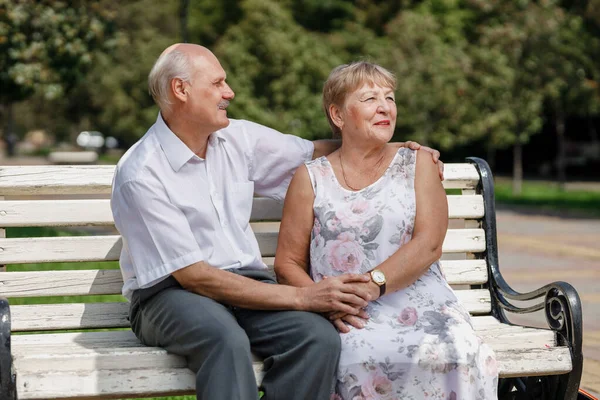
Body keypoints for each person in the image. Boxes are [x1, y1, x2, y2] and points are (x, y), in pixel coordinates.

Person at [111, 44, 443, 400]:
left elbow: (314, 150)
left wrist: (395, 151)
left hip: (246, 284)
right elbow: (195, 277)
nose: (230, 92)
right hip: (169, 295)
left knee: (316, 338)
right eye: (218, 83)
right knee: (224, 338)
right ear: (181, 89)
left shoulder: (236, 138)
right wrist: (302, 297)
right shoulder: (141, 172)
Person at [274, 61, 498, 399]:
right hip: (344, 312)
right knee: (357, 355)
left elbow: (429, 244)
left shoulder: (418, 162)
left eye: (390, 98)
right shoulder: (311, 178)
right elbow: (287, 263)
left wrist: (373, 284)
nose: (385, 107)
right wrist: (322, 302)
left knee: (458, 351)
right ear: (338, 115)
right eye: (369, 99)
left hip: (419, 301)